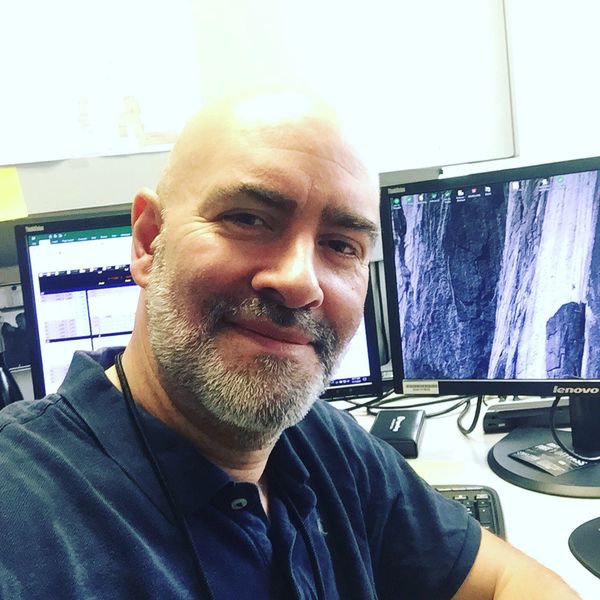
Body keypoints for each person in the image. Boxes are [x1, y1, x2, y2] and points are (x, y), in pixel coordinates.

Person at [0, 92, 578, 599]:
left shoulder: (322, 443)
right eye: (248, 218)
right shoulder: (23, 510)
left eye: (342, 244)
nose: (301, 281)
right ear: (151, 240)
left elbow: (507, 581)